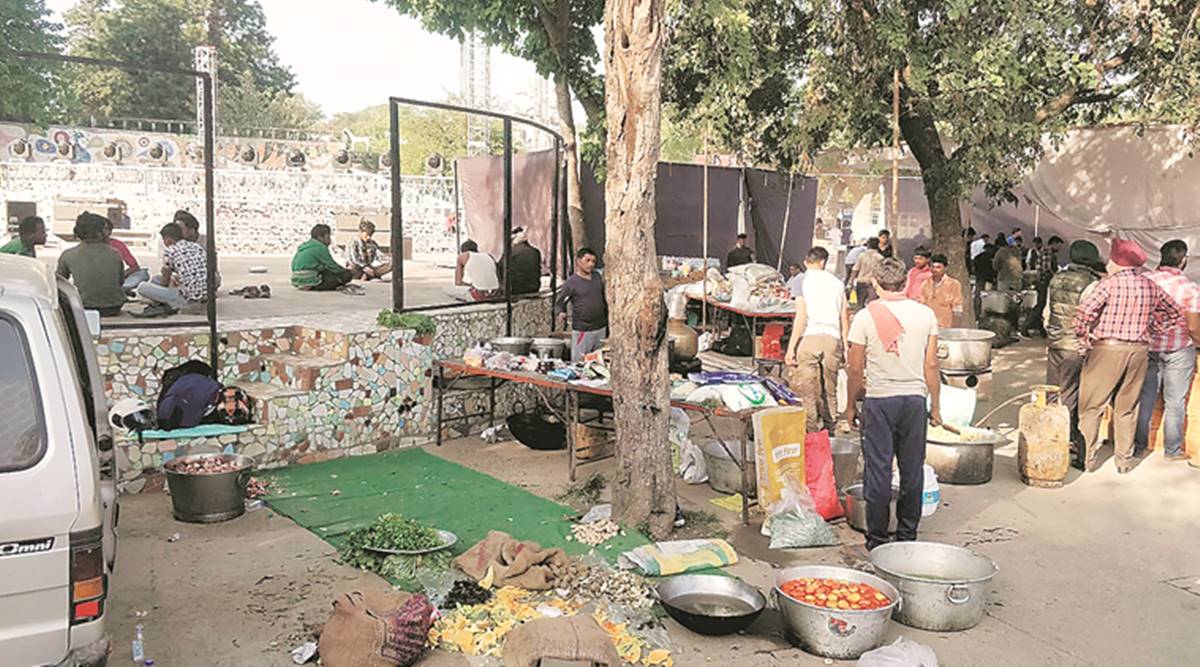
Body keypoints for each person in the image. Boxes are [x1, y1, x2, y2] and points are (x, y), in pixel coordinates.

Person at [845, 258, 941, 550]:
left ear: (876, 284)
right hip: (914, 401)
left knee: (879, 471)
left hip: (880, 400)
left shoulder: (865, 317)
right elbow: (932, 365)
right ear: (905, 282)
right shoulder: (925, 315)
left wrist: (850, 405)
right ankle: (907, 536)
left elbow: (855, 368)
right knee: (912, 470)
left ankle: (877, 539)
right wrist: (936, 406)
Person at [1074, 239, 1184, 474]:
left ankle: (1086, 459)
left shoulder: (1108, 284)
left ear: (1117, 262)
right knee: (1127, 407)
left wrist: (1085, 337)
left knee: (1092, 405)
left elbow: (1084, 312)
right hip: (1139, 352)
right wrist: (1153, 329)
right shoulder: (1150, 285)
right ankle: (1124, 461)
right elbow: (1175, 312)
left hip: (1108, 349)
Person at [1135, 240, 1200, 462]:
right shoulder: (1190, 288)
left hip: (1148, 347)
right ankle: (1172, 451)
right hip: (1179, 349)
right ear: (1183, 260)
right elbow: (1193, 326)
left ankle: (1139, 446)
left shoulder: (1145, 281)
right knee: (1175, 401)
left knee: (1145, 397)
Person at [1043, 240, 1104, 468]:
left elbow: (1047, 312)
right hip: (1074, 346)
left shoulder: (1056, 278)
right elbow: (1089, 317)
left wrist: (1051, 333)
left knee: (1052, 390)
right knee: (1070, 393)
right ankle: (1065, 439)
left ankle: (1048, 432)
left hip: (1055, 342)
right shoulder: (1091, 283)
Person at [784, 247, 849, 433]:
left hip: (810, 337)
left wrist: (791, 348)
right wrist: (845, 347)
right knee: (830, 387)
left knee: (806, 388)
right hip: (833, 338)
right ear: (823, 262)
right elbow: (844, 317)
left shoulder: (801, 280)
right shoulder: (837, 283)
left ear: (806, 262)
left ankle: (810, 429)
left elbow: (801, 316)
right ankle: (830, 427)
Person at [56, 213, 126, 316]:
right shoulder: (115, 253)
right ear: (99, 233)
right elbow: (120, 281)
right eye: (105, 229)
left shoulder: (68, 254)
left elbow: (59, 283)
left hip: (84, 307)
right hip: (113, 307)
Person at [137, 222, 208, 315]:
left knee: (142, 287)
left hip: (187, 299)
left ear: (168, 240)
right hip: (206, 296)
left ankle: (173, 304)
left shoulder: (170, 251)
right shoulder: (196, 247)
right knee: (156, 279)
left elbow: (164, 282)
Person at [554, 247, 607, 361]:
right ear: (578, 261)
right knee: (579, 362)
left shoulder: (597, 277)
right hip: (583, 330)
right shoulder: (571, 283)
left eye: (593, 261)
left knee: (598, 362)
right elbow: (559, 303)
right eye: (587, 260)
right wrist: (560, 312)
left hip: (600, 328)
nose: (591, 264)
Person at [291, 224, 353, 291]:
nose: (330, 240)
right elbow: (332, 266)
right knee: (345, 276)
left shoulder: (305, 246)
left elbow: (294, 265)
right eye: (328, 237)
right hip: (310, 279)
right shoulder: (320, 247)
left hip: (296, 280)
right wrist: (348, 271)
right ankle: (314, 286)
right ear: (320, 237)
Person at [1023, 236, 1063, 336]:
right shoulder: (1047, 253)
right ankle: (1026, 326)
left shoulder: (1047, 252)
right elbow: (1047, 268)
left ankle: (1040, 328)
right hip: (1043, 282)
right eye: (1059, 245)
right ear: (1054, 243)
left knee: (1042, 305)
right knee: (1040, 305)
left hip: (1042, 282)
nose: (1059, 248)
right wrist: (1057, 275)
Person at [99, 217, 149, 292]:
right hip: (98, 279)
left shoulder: (118, 245)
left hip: (117, 278)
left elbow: (134, 266)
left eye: (106, 229)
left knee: (143, 274)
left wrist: (122, 275)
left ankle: (121, 288)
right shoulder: (90, 247)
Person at [920, 254, 963, 328]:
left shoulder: (953, 284)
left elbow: (957, 308)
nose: (935, 270)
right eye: (933, 267)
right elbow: (922, 305)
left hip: (946, 325)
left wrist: (955, 327)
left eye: (938, 267)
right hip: (928, 324)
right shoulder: (925, 284)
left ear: (945, 268)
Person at [498, 227, 543, 295]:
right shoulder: (536, 252)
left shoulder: (510, 253)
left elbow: (499, 269)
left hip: (515, 291)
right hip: (533, 289)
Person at [849, 237, 884, 305]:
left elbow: (855, 269)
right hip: (873, 284)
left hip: (861, 282)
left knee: (860, 304)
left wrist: (851, 281)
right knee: (872, 305)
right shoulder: (880, 257)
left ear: (868, 245)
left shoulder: (862, 255)